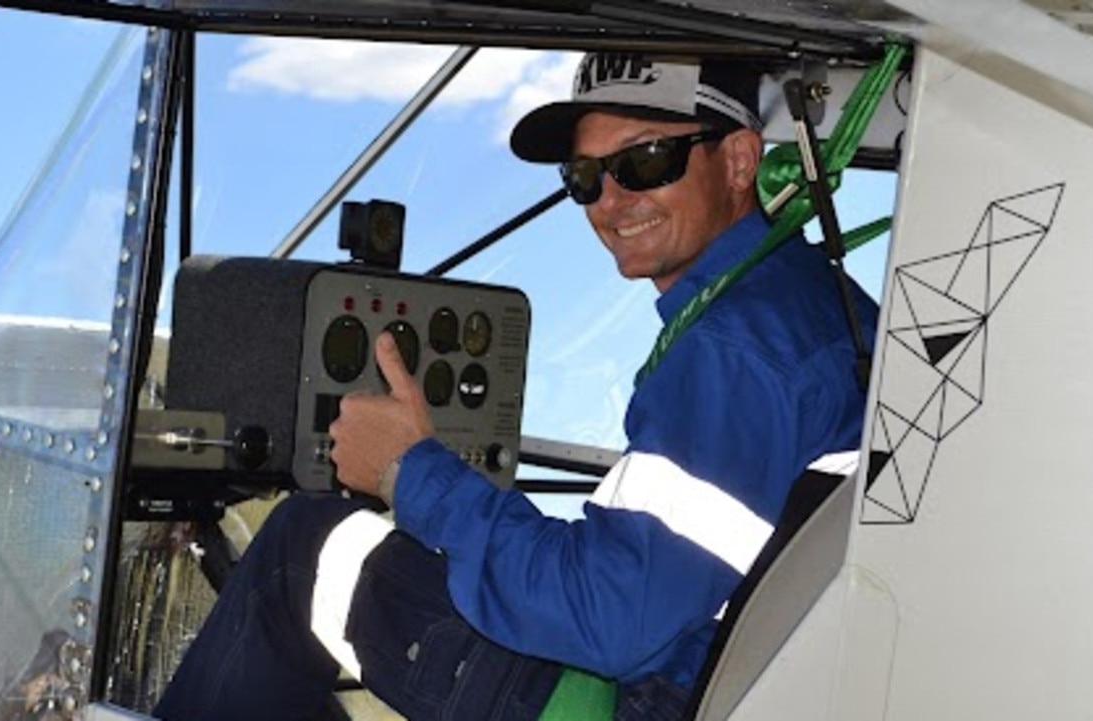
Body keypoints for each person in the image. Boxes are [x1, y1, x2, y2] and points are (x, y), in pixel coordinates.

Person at [154, 51, 879, 721]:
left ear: (740, 159)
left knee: (300, 551)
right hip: (729, 673)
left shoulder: (737, 348)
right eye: (585, 178)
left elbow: (608, 617)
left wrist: (412, 472)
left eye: (645, 161)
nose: (610, 201)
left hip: (641, 698)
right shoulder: (813, 306)